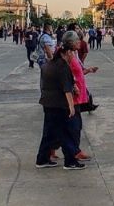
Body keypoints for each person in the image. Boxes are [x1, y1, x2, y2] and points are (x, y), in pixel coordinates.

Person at [35, 31, 84, 170]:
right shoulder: (63, 67)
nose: (72, 57)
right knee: (67, 133)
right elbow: (66, 89)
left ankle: (42, 159)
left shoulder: (49, 64)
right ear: (67, 53)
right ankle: (70, 161)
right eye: (72, 54)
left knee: (49, 133)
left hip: (47, 102)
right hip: (58, 104)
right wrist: (71, 107)